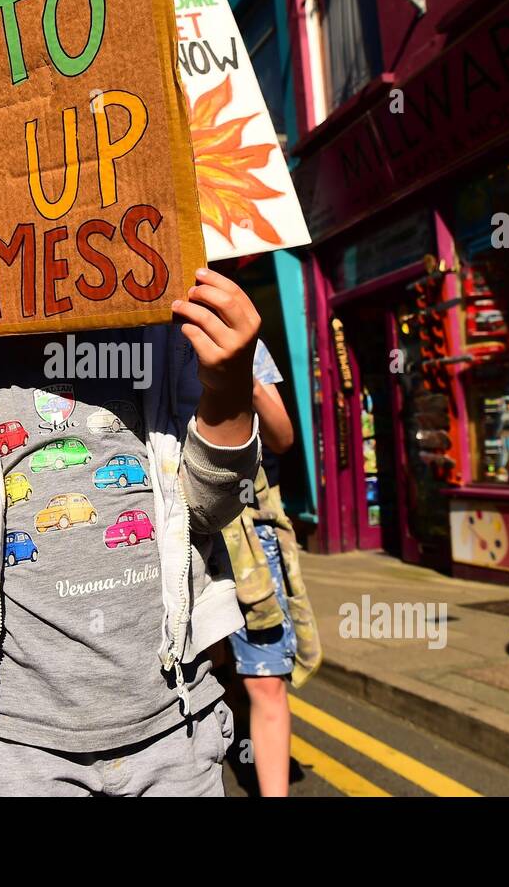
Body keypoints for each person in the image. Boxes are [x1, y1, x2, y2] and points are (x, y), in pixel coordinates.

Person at [0, 271, 262, 797]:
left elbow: (208, 508)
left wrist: (230, 389)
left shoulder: (162, 339)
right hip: (26, 746)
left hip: (173, 723)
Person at [217, 337, 320, 797]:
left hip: (249, 540)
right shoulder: (141, 340)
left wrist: (242, 371)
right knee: (207, 676)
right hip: (176, 534)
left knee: (265, 682)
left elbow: (282, 436)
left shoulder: (241, 338)